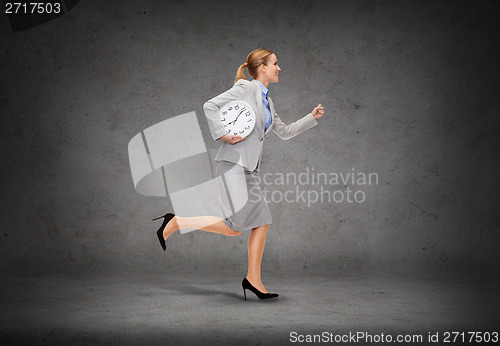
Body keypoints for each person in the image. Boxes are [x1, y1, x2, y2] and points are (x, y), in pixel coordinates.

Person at [154, 48, 325, 301]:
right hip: (232, 165)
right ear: (263, 68)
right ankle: (178, 223)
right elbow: (209, 106)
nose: (279, 68)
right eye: (275, 63)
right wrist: (222, 133)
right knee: (244, 225)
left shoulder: (268, 101)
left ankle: (251, 278)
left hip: (246, 169)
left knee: (251, 225)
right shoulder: (246, 88)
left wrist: (311, 117)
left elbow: (285, 131)